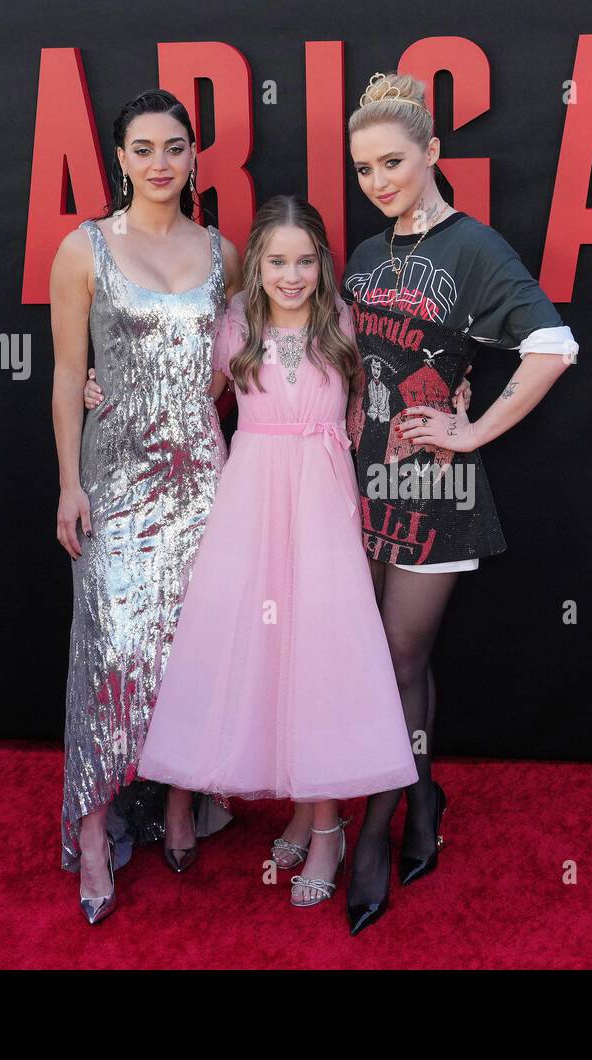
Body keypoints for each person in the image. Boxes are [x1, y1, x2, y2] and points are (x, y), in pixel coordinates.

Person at [339, 71, 580, 934]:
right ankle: (426, 794)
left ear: (434, 152)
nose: (378, 181)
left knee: (398, 663)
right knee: (373, 659)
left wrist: (474, 435)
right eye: (363, 168)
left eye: (393, 162)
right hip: (362, 480)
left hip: (433, 488)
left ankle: (376, 833)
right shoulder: (366, 256)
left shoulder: (476, 249)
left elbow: (552, 344)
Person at [132, 195, 421, 907]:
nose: (291, 275)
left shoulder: (341, 323)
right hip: (252, 504)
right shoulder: (236, 323)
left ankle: (328, 828)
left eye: (304, 261)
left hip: (320, 506)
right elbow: (190, 397)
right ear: (255, 263)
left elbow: (367, 408)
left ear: (322, 263)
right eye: (277, 261)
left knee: (318, 657)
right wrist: (111, 390)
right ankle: (299, 805)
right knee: (264, 656)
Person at [50, 89, 241, 925]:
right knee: (110, 654)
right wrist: (69, 480)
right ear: (120, 160)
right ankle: (92, 832)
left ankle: (178, 803)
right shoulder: (83, 248)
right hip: (116, 484)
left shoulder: (225, 251)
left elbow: (232, 369)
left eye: (174, 146)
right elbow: (65, 373)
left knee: (193, 650)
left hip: (202, 479)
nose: (160, 162)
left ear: (193, 155)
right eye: (142, 148)